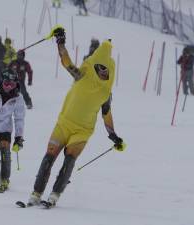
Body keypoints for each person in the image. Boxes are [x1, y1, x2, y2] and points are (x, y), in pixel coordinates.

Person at [26, 26, 125, 208]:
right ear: (94, 65)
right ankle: (36, 193)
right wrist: (60, 41)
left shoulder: (105, 93)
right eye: (99, 67)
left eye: (106, 70)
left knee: (69, 159)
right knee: (49, 156)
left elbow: (106, 114)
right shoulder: (82, 75)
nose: (102, 72)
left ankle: (55, 194)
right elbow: (66, 62)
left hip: (82, 131)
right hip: (63, 125)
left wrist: (113, 135)